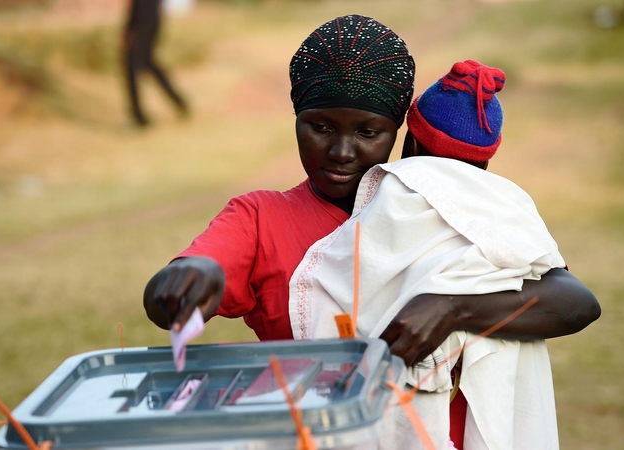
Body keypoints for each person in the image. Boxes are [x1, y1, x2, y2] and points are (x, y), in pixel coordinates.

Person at [143, 15, 600, 444]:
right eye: (320, 127)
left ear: (402, 134)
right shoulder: (261, 219)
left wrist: (455, 309)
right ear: (296, 120)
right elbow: (190, 278)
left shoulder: (448, 216)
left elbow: (574, 302)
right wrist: (189, 279)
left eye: (368, 132)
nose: (342, 151)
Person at [289, 60, 586, 449]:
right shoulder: (505, 208)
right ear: (486, 161)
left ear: (409, 142)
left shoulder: (391, 199)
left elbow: (341, 281)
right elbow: (575, 298)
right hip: (482, 407)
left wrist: (452, 307)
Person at [122, 0, 188, 126]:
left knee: (133, 68)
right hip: (149, 24)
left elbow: (140, 7)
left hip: (144, 26)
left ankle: (139, 116)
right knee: (149, 64)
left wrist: (131, 29)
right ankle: (178, 101)